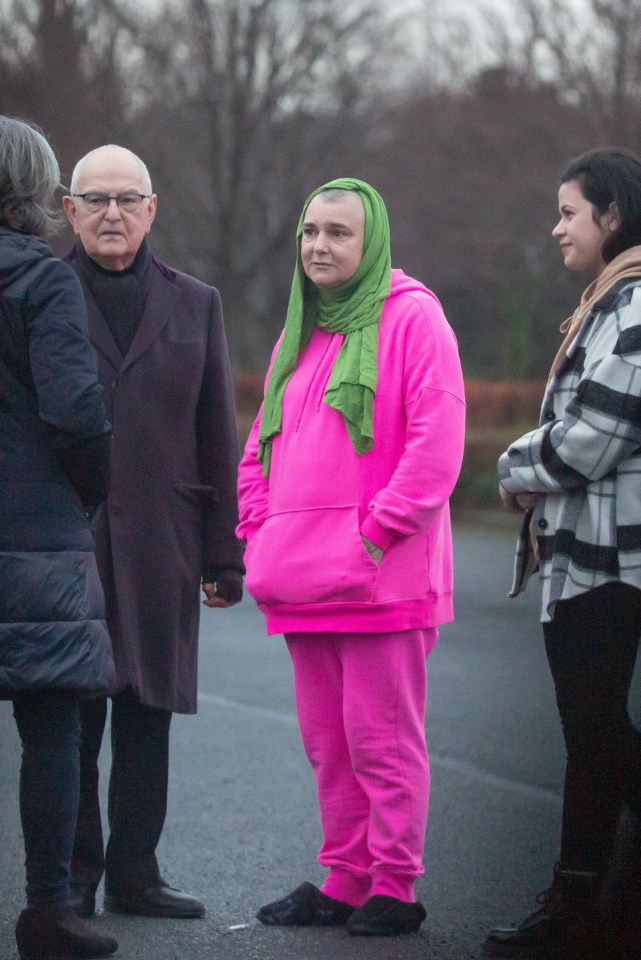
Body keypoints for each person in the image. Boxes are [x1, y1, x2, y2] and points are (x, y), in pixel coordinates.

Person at [237, 178, 465, 937]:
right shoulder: (299, 328)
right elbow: (258, 447)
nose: (319, 246)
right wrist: (258, 529)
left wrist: (373, 534)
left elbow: (438, 443)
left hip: (381, 576)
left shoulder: (412, 317)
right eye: (309, 231)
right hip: (304, 579)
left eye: (338, 232)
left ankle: (395, 885)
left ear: (370, 244)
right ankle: (345, 876)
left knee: (380, 739)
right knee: (328, 743)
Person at [61, 144, 244, 920]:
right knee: (70, 715)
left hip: (161, 542)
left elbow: (217, 431)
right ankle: (71, 878)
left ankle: (137, 874)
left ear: (152, 209)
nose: (111, 213)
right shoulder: (38, 293)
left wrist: (223, 553)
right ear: (68, 211)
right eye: (95, 200)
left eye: (126, 199)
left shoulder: (195, 302)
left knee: (148, 711)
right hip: (64, 541)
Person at [486, 148, 641, 960]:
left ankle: (576, 906)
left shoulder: (636, 305)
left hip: (611, 560)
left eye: (568, 212)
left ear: (611, 215)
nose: (555, 229)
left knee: (594, 732)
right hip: (586, 554)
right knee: (590, 733)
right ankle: (580, 902)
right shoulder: (607, 303)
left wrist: (511, 468)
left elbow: (589, 440)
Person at [0, 117, 117, 959]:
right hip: (35, 532)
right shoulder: (42, 280)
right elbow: (77, 413)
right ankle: (48, 911)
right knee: (51, 725)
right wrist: (86, 497)